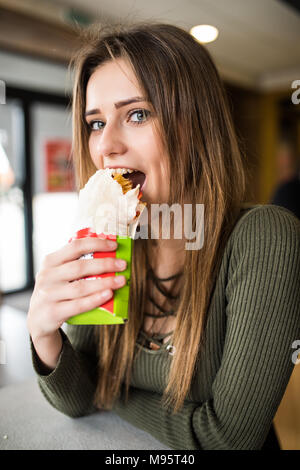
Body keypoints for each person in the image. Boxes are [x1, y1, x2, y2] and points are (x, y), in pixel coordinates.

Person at [27, 22, 300, 450]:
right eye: (96, 123)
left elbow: (226, 440)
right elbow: (78, 399)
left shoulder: (266, 239)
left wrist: (109, 392)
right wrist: (45, 335)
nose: (106, 147)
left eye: (137, 114)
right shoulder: (113, 239)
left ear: (197, 125)